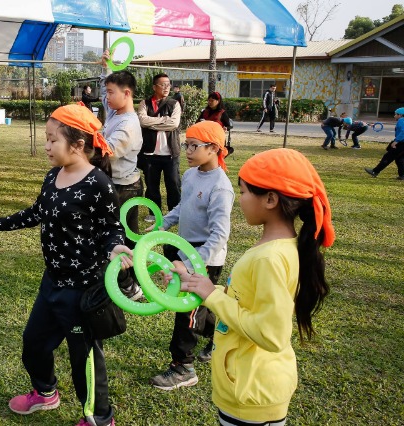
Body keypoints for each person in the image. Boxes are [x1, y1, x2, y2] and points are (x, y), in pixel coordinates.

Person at [0, 104, 132, 426]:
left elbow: (111, 227)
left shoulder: (99, 183)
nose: (46, 146)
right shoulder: (52, 176)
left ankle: (99, 418)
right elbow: (36, 213)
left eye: (51, 140)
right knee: (34, 344)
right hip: (53, 282)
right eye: (46, 139)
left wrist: (116, 246)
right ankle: (45, 392)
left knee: (84, 359)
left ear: (77, 145)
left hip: (82, 291)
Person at [172, 148, 334, 425]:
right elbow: (246, 300)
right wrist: (200, 286)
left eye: (245, 192)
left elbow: (271, 335)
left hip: (252, 394)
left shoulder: (269, 258)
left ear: (270, 199)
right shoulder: (278, 248)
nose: (240, 200)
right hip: (247, 387)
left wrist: (212, 295)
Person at [148, 121, 234, 391]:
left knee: (186, 311)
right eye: (187, 144)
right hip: (185, 248)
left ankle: (183, 367)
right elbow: (182, 207)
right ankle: (219, 336)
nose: (187, 150)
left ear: (213, 148)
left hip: (204, 257)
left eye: (194, 146)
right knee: (201, 308)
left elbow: (219, 236)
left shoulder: (221, 187)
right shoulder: (191, 175)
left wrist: (188, 264)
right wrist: (161, 225)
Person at [99, 50, 145, 301]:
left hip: (125, 188)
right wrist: (108, 67)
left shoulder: (128, 124)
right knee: (109, 233)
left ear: (126, 94)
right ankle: (118, 277)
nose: (106, 97)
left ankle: (132, 286)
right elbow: (108, 97)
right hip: (113, 184)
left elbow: (107, 151)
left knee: (127, 237)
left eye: (110, 92)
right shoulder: (116, 111)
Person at [137, 73, 182, 222]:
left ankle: (174, 213)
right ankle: (153, 212)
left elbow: (174, 124)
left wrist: (153, 124)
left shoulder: (174, 103)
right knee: (151, 186)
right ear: (154, 87)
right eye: (162, 84)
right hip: (150, 153)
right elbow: (142, 120)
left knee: (174, 184)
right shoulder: (145, 103)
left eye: (168, 84)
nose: (166, 87)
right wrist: (164, 120)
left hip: (170, 153)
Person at [365, 107, 404, 180]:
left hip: (401, 143)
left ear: (400, 115)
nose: (394, 116)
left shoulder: (401, 120)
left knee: (387, 157)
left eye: (395, 114)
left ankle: (375, 171)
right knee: (399, 159)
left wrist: (396, 141)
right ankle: (402, 175)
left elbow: (403, 132)